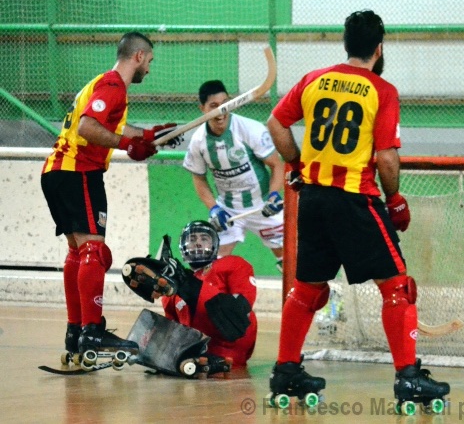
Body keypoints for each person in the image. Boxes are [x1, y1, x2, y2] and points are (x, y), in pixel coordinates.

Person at [264, 10, 450, 406]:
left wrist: (296, 165)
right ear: (379, 48)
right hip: (355, 201)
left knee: (307, 289)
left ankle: (285, 371)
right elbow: (386, 158)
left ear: (346, 44)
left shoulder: (313, 79)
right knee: (397, 287)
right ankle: (408, 378)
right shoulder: (382, 91)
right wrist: (395, 200)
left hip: (313, 200)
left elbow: (276, 123)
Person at [41, 31, 181, 362]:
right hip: (78, 172)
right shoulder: (113, 86)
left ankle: (76, 331)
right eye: (150, 61)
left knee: (78, 253)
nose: (149, 69)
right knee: (94, 251)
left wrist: (150, 135)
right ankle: (92, 331)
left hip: (56, 172)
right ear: (139, 56)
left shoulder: (102, 84)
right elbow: (88, 128)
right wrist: (129, 145)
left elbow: (113, 128)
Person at [124, 221, 258, 367]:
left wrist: (186, 283)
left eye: (204, 239)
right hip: (196, 354)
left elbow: (240, 311)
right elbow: (174, 332)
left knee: (231, 307)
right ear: (183, 247)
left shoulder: (233, 264)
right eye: (192, 240)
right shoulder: (172, 292)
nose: (198, 243)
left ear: (215, 244)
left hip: (230, 346)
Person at [183, 80, 285, 271]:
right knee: (213, 266)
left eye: (225, 104)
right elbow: (199, 179)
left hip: (263, 206)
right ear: (202, 108)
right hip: (228, 211)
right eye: (214, 106)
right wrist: (214, 209)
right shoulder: (198, 141)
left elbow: (276, 165)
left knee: (289, 261)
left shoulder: (251, 129)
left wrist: (273, 195)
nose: (221, 111)